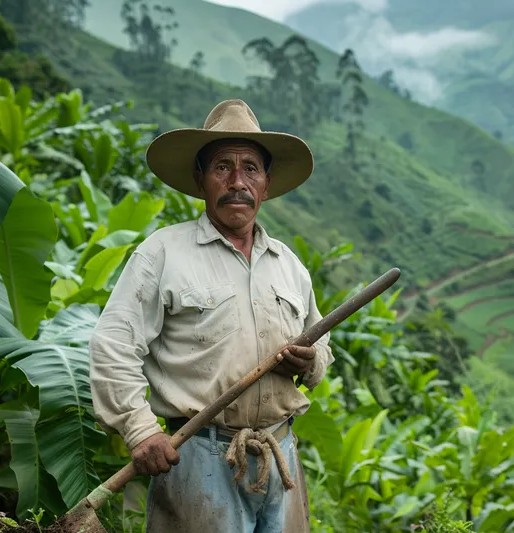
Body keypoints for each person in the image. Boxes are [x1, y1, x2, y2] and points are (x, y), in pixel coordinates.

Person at [89, 99, 334, 533]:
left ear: (266, 183)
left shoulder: (288, 264)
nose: (237, 181)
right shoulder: (162, 254)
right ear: (200, 179)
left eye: (251, 169)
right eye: (222, 167)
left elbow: (321, 345)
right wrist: (140, 430)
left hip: (280, 455)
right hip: (198, 455)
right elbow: (113, 345)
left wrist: (310, 360)